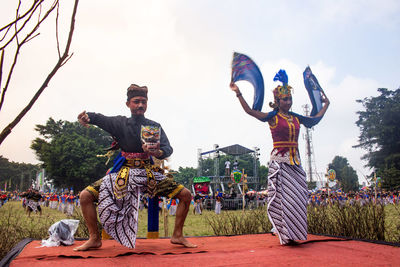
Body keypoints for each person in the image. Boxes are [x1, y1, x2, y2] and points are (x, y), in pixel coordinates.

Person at [74, 84, 196, 251]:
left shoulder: (154, 126)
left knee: (186, 195)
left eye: (143, 102)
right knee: (85, 196)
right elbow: (100, 118)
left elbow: (168, 149)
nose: (140, 105)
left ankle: (177, 235)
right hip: (124, 173)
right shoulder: (119, 123)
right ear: (128, 104)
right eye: (136, 101)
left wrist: (157, 151)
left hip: (148, 173)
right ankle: (94, 238)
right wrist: (87, 117)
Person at [230, 70, 329, 246]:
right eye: (285, 99)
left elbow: (313, 120)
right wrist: (238, 93)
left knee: (298, 197)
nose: (288, 102)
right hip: (280, 163)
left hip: (295, 163)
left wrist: (326, 105)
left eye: (290, 99)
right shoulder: (273, 116)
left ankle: (294, 232)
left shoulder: (296, 117)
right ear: (277, 101)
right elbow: (250, 111)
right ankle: (284, 233)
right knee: (284, 199)